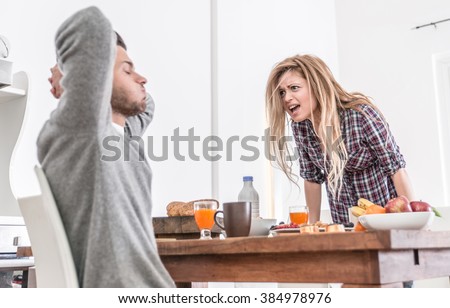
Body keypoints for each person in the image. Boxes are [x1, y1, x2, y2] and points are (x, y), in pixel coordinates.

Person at [37, 6, 175, 287]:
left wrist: (125, 73)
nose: (143, 79)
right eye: (127, 71)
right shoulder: (81, 130)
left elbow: (148, 106)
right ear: (94, 77)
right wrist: (68, 75)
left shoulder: (123, 138)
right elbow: (91, 25)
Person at [265, 54, 415, 225]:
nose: (286, 98)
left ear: (316, 86)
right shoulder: (301, 128)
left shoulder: (360, 115)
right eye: (282, 92)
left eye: (294, 88)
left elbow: (396, 169)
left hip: (385, 223)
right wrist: (312, 228)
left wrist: (412, 223)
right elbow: (312, 178)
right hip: (344, 226)